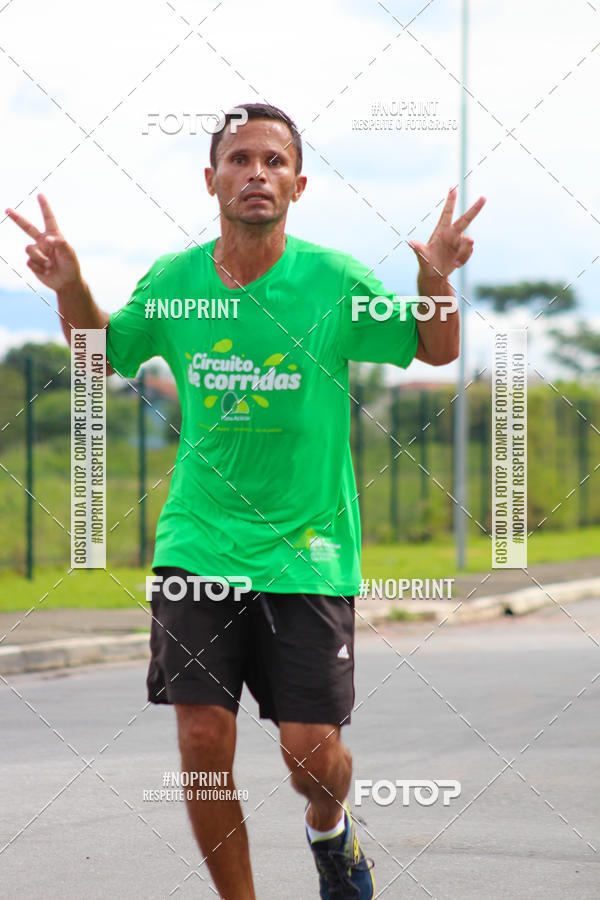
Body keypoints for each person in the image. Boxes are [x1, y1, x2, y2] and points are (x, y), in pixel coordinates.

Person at [6, 101, 485, 900]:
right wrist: (71, 286)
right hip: (199, 539)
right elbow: (101, 357)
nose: (256, 173)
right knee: (200, 737)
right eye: (240, 159)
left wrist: (433, 278)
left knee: (310, 757)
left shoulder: (334, 282)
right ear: (211, 179)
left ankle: (331, 832)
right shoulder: (174, 281)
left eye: (273, 161)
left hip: (309, 549)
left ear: (299, 184)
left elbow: (435, 347)